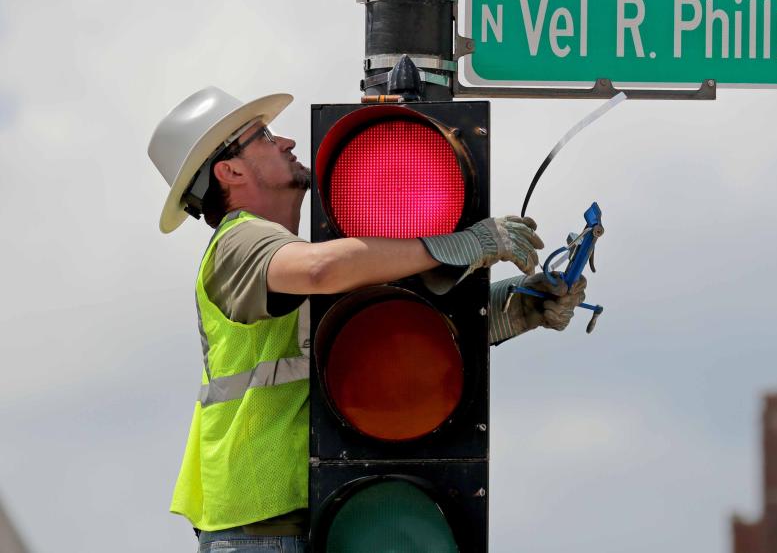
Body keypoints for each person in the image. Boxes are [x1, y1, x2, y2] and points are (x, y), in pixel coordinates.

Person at [148, 86, 587, 551]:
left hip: (313, 515)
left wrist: (509, 310)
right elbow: (323, 270)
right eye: (265, 136)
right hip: (261, 530)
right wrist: (461, 247)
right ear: (230, 170)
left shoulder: (296, 258)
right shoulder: (238, 244)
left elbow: (381, 337)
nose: (287, 143)